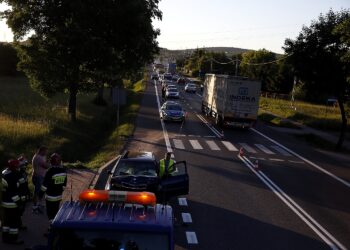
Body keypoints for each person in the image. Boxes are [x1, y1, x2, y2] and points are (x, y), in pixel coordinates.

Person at [1, 159, 24, 245]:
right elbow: (13, 192)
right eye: (17, 166)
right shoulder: (13, 176)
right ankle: (13, 239)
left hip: (5, 202)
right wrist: (20, 203)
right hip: (12, 204)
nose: (19, 168)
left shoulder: (4, 174)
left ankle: (5, 237)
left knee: (6, 221)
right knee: (14, 222)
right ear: (14, 167)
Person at [40, 153, 67, 222]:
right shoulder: (63, 170)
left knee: (50, 213)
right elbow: (64, 184)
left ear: (51, 161)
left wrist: (40, 195)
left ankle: (52, 228)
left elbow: (44, 186)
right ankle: (55, 225)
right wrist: (60, 191)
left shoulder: (50, 171)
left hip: (50, 196)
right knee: (56, 211)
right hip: (59, 196)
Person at [32, 146, 49, 213]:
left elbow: (45, 163)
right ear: (41, 151)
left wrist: (47, 162)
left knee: (41, 191)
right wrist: (50, 164)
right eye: (45, 151)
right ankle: (34, 207)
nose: (46, 153)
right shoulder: (38, 157)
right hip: (38, 176)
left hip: (41, 176)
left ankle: (39, 204)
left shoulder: (42, 156)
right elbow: (46, 166)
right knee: (37, 192)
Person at [17, 156, 30, 230]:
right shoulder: (19, 174)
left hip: (23, 194)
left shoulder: (23, 173)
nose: (25, 166)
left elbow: (25, 185)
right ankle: (18, 224)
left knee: (21, 210)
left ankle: (19, 223)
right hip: (20, 195)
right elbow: (21, 186)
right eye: (24, 165)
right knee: (19, 210)